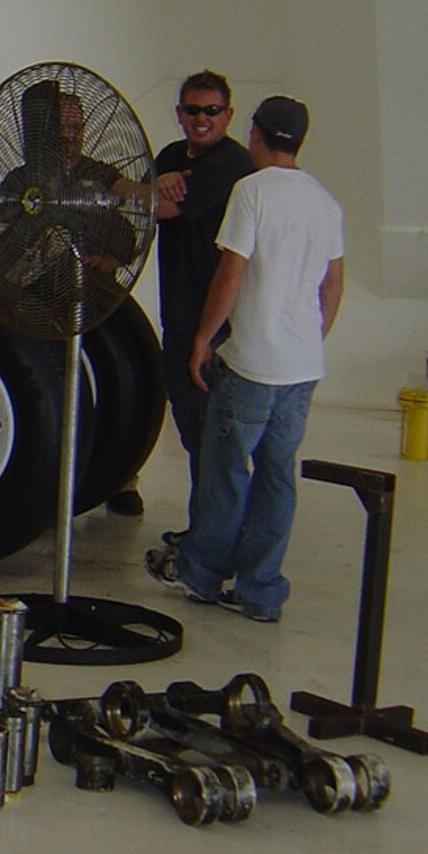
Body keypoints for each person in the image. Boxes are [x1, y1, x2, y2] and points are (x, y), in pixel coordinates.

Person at [144, 96, 343, 622]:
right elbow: (332, 284)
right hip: (303, 367)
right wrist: (310, 335)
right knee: (278, 474)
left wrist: (204, 338)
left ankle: (203, 575)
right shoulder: (324, 202)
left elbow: (230, 273)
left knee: (224, 469)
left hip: (251, 361)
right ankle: (261, 591)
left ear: (254, 133)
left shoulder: (251, 192)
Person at [147, 70, 254, 546]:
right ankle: (206, 535)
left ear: (228, 115)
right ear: (179, 114)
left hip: (217, 328)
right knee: (194, 436)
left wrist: (155, 192)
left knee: (217, 443)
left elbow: (159, 208)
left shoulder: (232, 164)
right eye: (192, 110)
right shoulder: (171, 156)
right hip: (180, 317)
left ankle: (217, 542)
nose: (201, 119)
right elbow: (139, 198)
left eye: (211, 111)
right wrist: (156, 185)